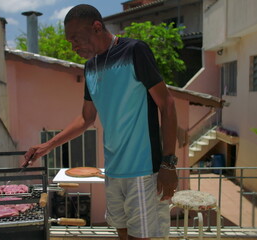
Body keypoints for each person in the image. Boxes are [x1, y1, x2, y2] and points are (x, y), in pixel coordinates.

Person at [23, 4, 179, 240]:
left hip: (144, 171)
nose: (74, 47)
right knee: (123, 234)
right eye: (70, 42)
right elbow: (87, 118)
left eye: (76, 39)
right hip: (113, 171)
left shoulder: (135, 51)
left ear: (97, 27)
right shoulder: (90, 67)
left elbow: (167, 104)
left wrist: (168, 164)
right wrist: (48, 146)